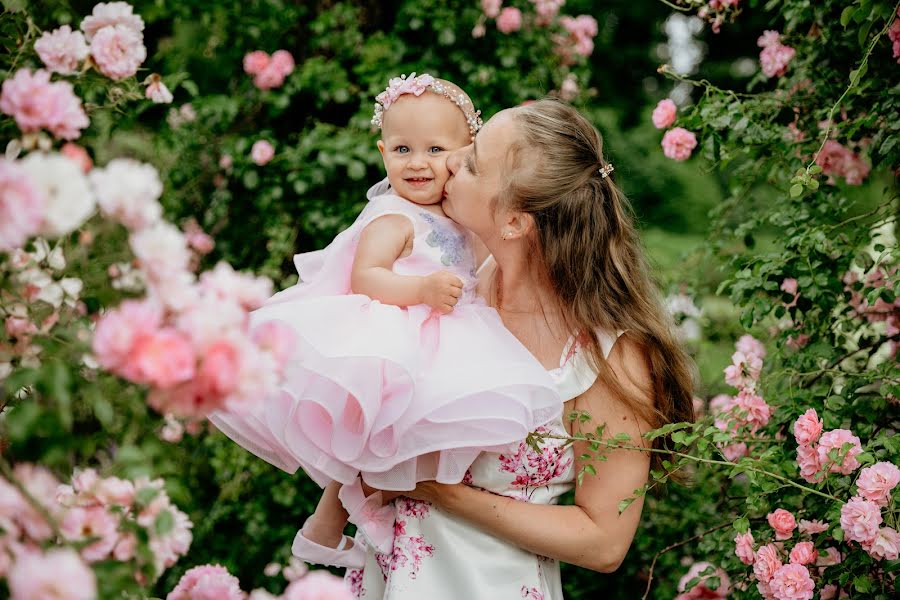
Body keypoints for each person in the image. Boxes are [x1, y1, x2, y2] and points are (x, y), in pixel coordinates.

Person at [302, 99, 696, 599]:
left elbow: (603, 542)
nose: (450, 161)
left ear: (514, 222)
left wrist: (438, 491)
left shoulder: (609, 356)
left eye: (471, 161)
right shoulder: (446, 288)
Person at [209, 75, 563, 557]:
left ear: (463, 155)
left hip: (444, 330)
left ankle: (387, 517)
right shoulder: (393, 215)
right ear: (382, 153)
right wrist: (420, 288)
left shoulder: (459, 212)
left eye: (435, 149)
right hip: (399, 329)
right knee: (367, 439)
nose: (417, 163)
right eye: (401, 150)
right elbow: (366, 276)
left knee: (423, 433)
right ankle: (328, 525)